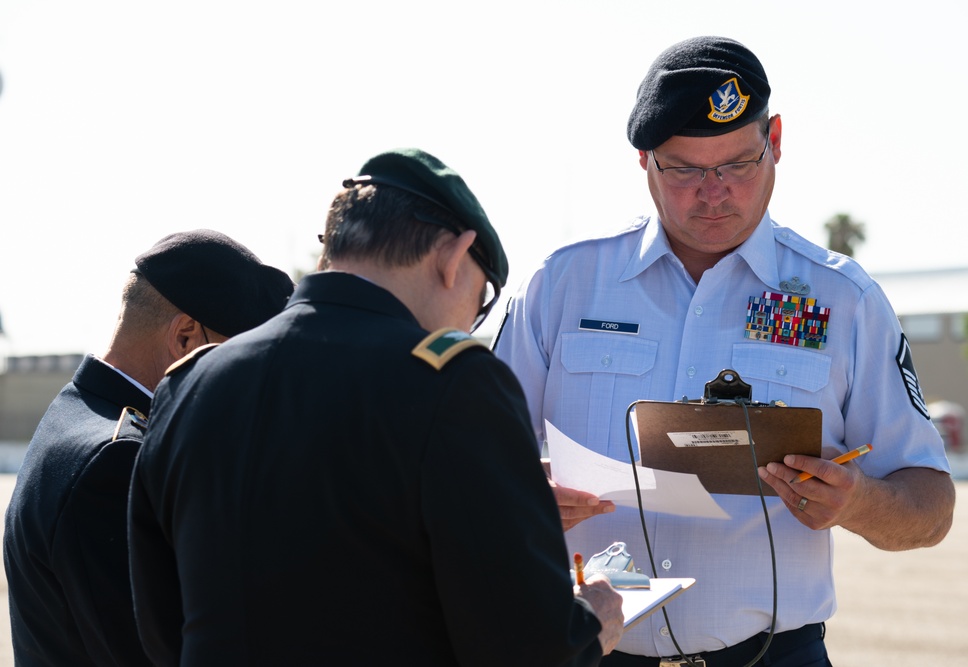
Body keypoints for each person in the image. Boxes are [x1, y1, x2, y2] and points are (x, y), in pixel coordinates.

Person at [493, 36, 955, 667]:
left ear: (777, 142)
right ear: (644, 160)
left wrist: (859, 501)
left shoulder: (843, 299)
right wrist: (518, 499)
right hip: (589, 650)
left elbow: (930, 507)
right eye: (684, 170)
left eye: (738, 164)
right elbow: (468, 464)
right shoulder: (563, 285)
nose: (714, 193)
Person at [127, 148, 624, 666]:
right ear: (454, 257)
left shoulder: (189, 386)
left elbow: (161, 629)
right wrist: (590, 622)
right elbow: (527, 649)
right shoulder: (455, 385)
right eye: (479, 305)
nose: (464, 328)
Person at [3, 230, 295, 666]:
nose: (248, 387)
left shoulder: (82, 415)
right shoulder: (115, 460)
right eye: (239, 361)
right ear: (185, 338)